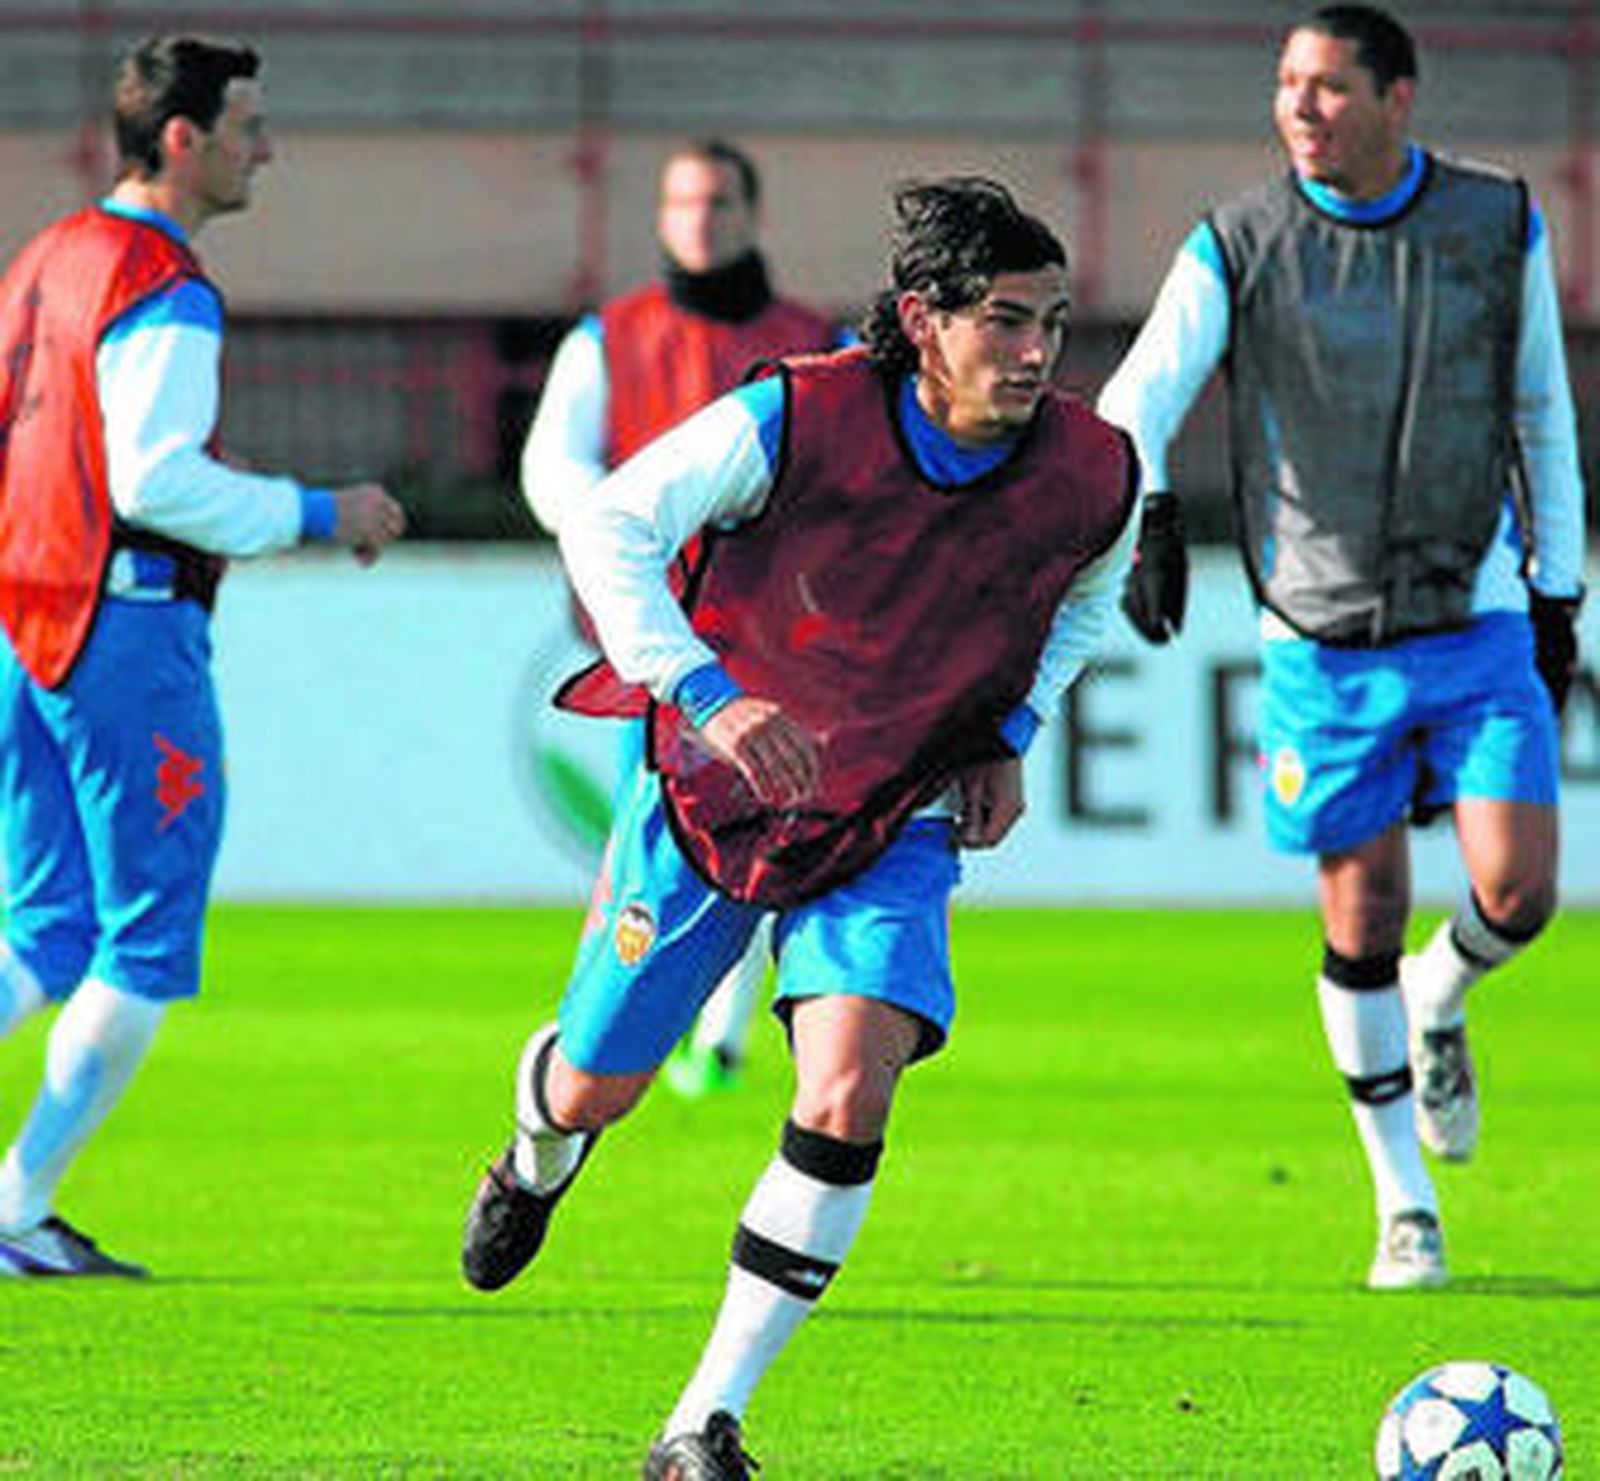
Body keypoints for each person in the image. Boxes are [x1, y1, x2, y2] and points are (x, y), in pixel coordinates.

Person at [463, 176, 1138, 1476]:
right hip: (717, 798)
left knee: (847, 1083)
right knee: (598, 1078)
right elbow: (610, 524)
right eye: (1006, 321)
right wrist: (704, 691)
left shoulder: (1089, 468)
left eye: (1053, 321)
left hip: (897, 806)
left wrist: (1015, 725)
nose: (1039, 351)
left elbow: (1091, 591)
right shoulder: (797, 413)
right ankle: (537, 1152)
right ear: (920, 320)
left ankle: (699, 1421)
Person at [1099, 4, 1586, 1291]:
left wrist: (1557, 587)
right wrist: (1148, 513)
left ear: (1398, 98)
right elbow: (1135, 395)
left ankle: (1444, 991)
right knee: (1358, 910)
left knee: (1519, 889)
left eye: (1326, 85)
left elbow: (1541, 406)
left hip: (1472, 609)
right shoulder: (1240, 239)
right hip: (1316, 630)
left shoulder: (1497, 224)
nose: (1298, 107)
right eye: (1285, 85)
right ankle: (1402, 1198)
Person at [0, 34, 406, 1278]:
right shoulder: (157, 277)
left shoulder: (47, 256)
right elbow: (155, 477)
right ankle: (18, 1206)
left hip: (24, 613)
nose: (264, 148)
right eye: (248, 124)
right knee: (144, 936)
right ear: (183, 137)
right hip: (120, 627)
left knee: (42, 924)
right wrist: (324, 512)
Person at [521, 138, 836, 1099]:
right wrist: (632, 534)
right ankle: (627, 1019)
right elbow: (552, 469)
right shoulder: (606, 338)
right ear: (663, 217)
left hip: (780, 642)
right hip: (650, 650)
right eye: (684, 203)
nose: (701, 220)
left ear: (753, 216)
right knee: (648, 836)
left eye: (719, 203)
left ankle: (723, 1036)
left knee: (770, 830)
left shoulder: (814, 339)